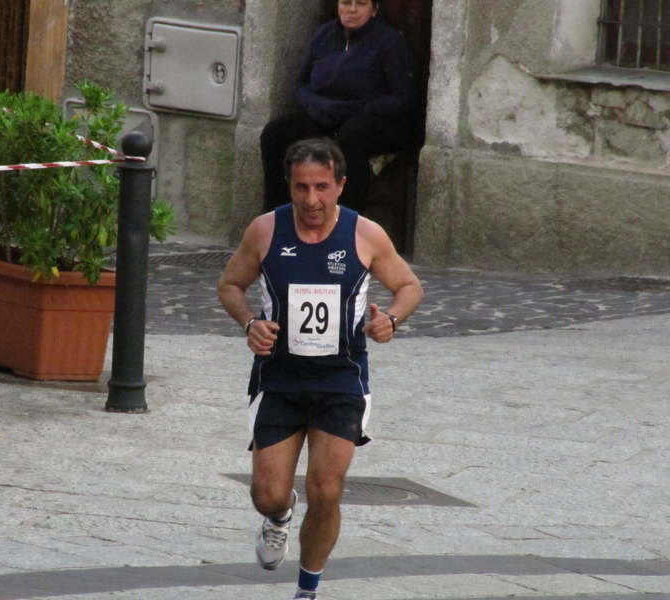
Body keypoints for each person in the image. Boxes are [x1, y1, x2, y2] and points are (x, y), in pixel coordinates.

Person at [217, 137, 422, 600]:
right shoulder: (265, 231)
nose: (312, 200)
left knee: (326, 488)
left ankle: (307, 590)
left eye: (322, 187)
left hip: (340, 379)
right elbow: (230, 284)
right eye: (301, 187)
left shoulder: (365, 234)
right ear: (288, 186)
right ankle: (279, 516)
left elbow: (409, 285)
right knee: (267, 494)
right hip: (280, 377)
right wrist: (250, 322)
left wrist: (391, 318)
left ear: (341, 185)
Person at [260, 0, 420, 215]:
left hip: (373, 119)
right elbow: (300, 84)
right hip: (325, 115)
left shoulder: (389, 42)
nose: (351, 9)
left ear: (374, 9)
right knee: (276, 133)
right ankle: (279, 220)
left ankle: (345, 224)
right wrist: (316, 105)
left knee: (351, 137)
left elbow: (403, 99)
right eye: (346, 3)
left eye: (360, 4)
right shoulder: (325, 35)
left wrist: (353, 109)